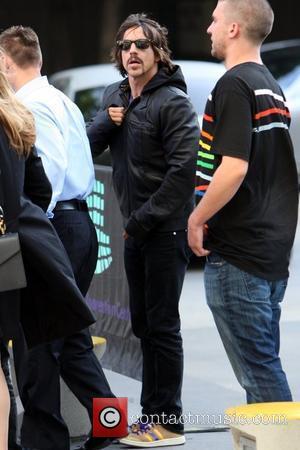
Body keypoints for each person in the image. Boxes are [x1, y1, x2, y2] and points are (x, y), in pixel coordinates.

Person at [87, 13, 199, 448]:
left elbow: (181, 175)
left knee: (163, 328)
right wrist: (106, 121)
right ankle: (152, 417)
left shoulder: (172, 102)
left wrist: (140, 222)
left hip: (163, 231)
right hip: (134, 231)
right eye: (125, 46)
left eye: (141, 45)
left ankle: (168, 422)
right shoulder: (114, 96)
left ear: (157, 53)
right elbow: (87, 145)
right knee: (144, 327)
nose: (132, 52)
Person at [0, 27, 115, 450]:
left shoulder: (29, 105)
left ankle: (44, 439)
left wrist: (28, 234)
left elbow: (44, 181)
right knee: (70, 337)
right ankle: (111, 422)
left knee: (38, 343)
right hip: (77, 225)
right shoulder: (59, 99)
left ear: (6, 62)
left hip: (54, 227)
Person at [188, 0, 298, 404]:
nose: (208, 28)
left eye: (215, 19)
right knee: (263, 367)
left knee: (260, 375)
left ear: (234, 29)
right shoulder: (270, 82)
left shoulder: (234, 85)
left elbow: (233, 168)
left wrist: (196, 218)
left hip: (240, 255)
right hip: (268, 251)